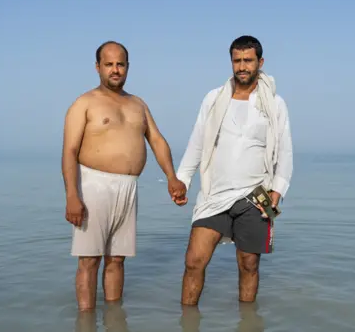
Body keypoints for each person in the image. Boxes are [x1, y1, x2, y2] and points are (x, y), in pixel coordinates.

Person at [62, 40, 186, 311]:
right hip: (93, 185)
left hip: (129, 187)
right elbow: (69, 151)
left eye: (120, 64)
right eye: (109, 64)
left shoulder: (138, 104)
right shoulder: (84, 103)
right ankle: (85, 322)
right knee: (89, 259)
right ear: (97, 67)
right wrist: (72, 195)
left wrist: (172, 177)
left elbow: (156, 140)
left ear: (128, 67)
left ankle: (114, 320)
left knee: (117, 259)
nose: (115, 70)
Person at [173, 35, 293, 305]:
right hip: (214, 193)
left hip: (257, 194)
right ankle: (187, 321)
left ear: (260, 62)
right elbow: (197, 142)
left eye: (248, 60)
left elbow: (284, 152)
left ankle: (247, 322)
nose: (242, 66)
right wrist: (183, 179)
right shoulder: (213, 99)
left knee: (249, 264)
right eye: (237, 61)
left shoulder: (275, 103)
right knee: (194, 261)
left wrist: (278, 191)